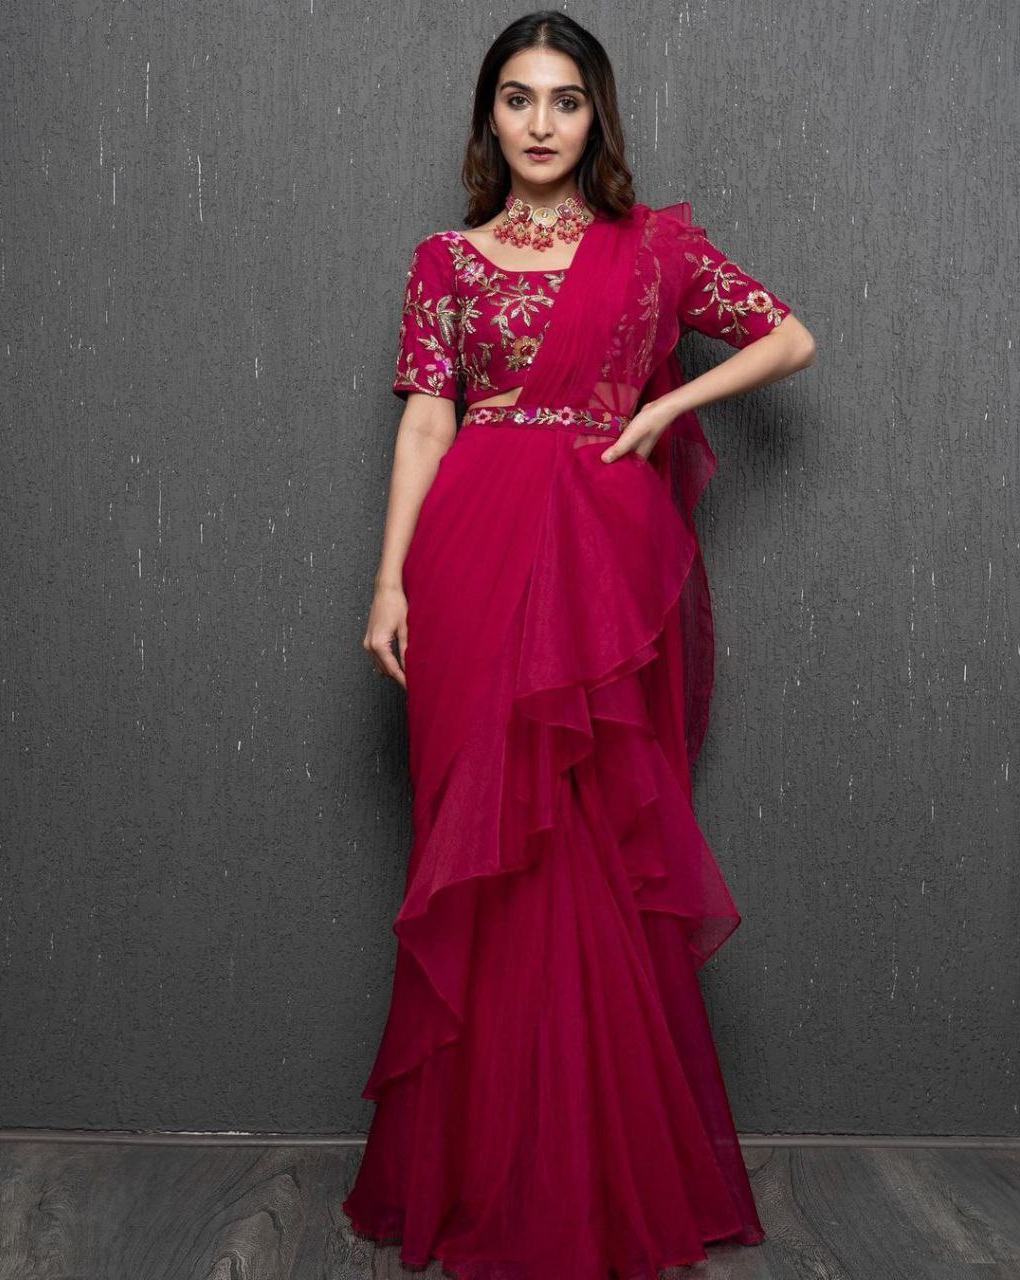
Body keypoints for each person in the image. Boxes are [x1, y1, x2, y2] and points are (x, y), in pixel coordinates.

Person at [345, 10, 816, 1277]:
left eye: (565, 99)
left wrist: (665, 406)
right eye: (517, 98)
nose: (541, 123)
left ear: (595, 114)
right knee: (478, 846)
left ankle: (592, 1171)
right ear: (488, 115)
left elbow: (789, 336)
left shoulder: (651, 250)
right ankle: (479, 1166)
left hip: (598, 559)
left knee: (588, 839)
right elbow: (427, 422)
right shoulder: (446, 260)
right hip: (470, 550)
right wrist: (388, 582)